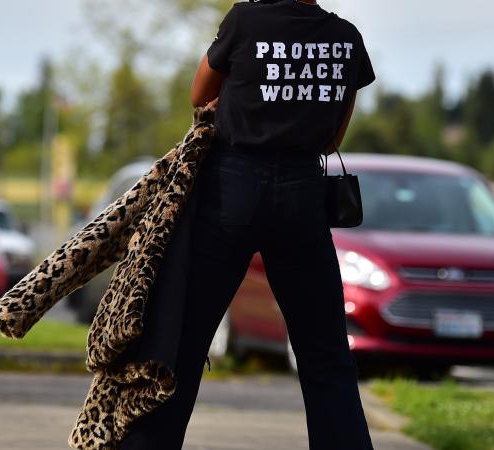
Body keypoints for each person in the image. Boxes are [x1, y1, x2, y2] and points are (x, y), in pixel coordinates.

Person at [118, 0, 376, 448]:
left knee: (185, 340)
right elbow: (334, 137)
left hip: (232, 188)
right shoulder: (346, 38)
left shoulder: (245, 20)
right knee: (326, 357)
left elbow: (200, 95)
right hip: (302, 194)